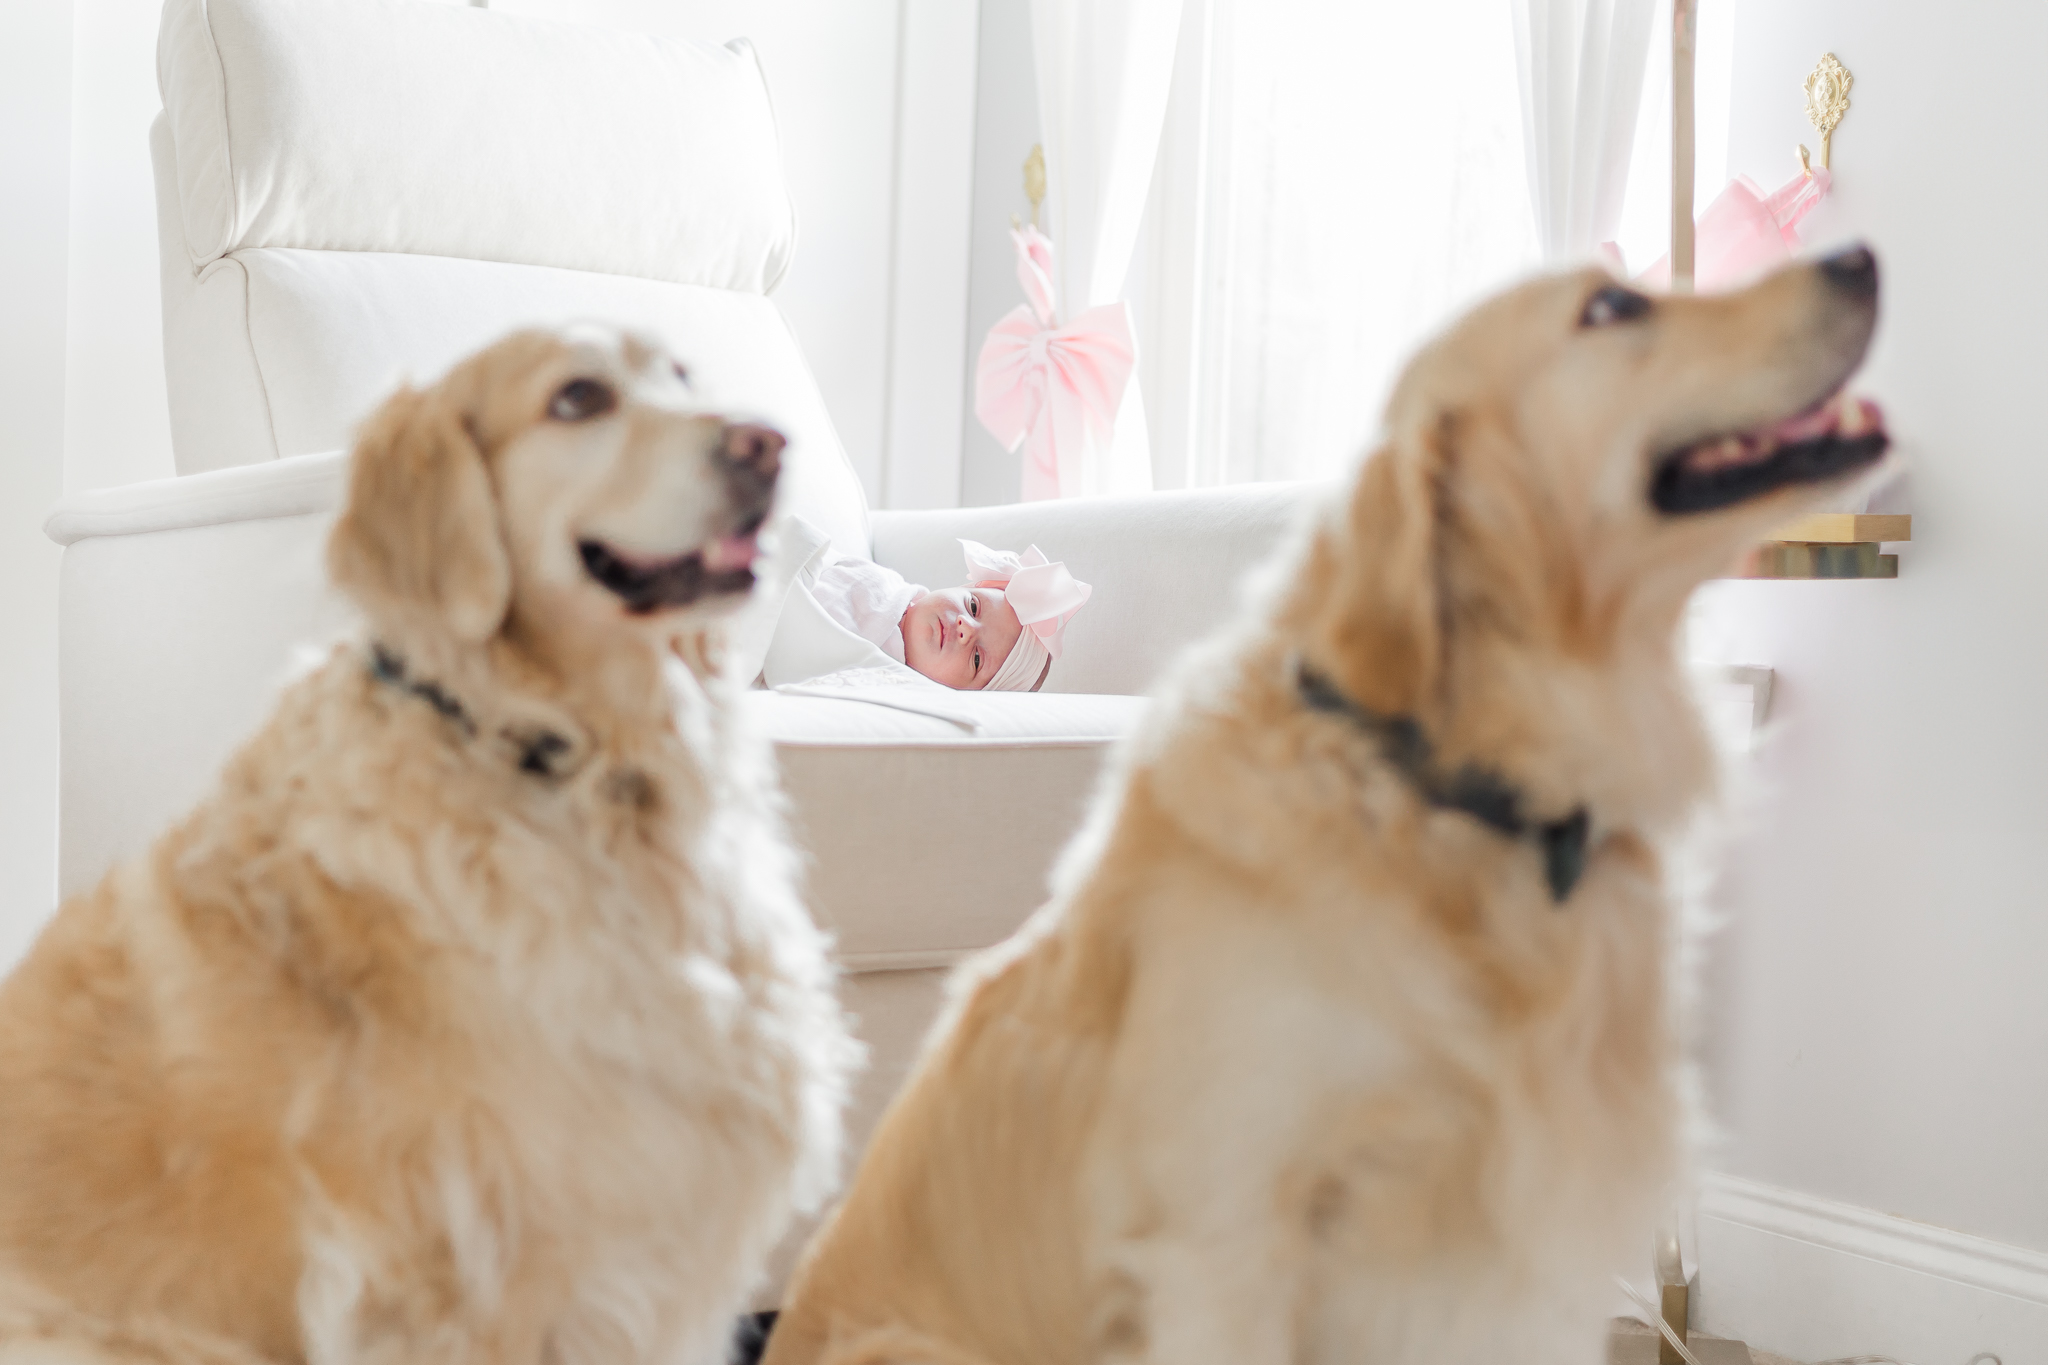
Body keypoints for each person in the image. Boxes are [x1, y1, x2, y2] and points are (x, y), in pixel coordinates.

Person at [756, 520, 1090, 693]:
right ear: (965, 587)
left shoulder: (899, 687)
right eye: (973, 607)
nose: (966, 629)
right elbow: (805, 558)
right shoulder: (881, 585)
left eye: (977, 659)